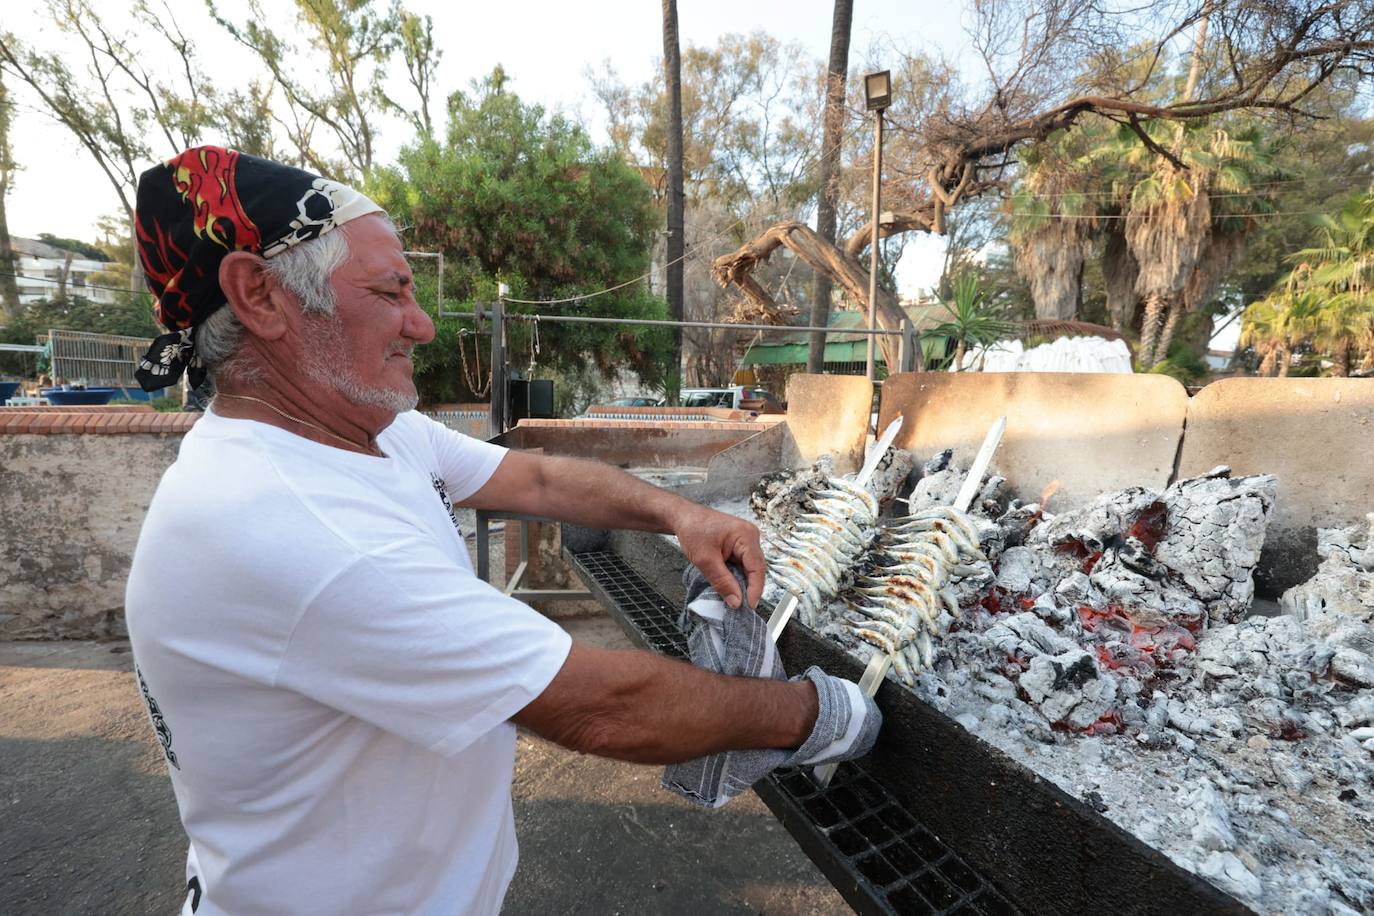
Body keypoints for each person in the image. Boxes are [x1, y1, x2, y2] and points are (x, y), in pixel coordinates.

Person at [124, 146, 878, 915]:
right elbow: (603, 708)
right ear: (259, 295)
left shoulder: (372, 431)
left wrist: (680, 515)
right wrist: (814, 715)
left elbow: (538, 477)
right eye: (390, 291)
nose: (420, 324)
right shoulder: (288, 528)